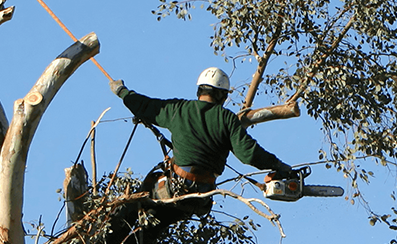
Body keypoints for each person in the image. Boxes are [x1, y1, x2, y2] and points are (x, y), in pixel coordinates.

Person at [109, 67, 293, 218]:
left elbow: (145, 106)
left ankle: (110, 240)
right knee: (157, 224)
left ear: (199, 90)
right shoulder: (227, 119)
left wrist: (122, 91)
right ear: (223, 96)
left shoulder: (178, 109)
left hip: (173, 189)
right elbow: (249, 154)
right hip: (199, 198)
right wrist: (277, 164)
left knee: (135, 203)